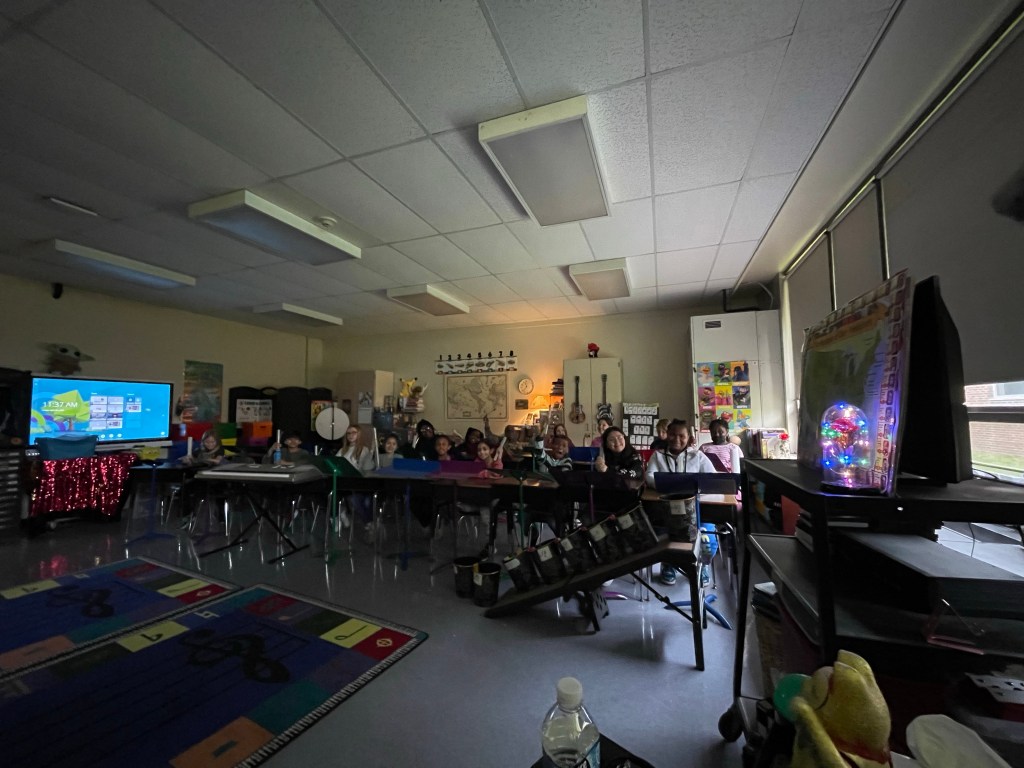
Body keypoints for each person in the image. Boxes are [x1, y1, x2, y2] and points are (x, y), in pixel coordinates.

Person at [645, 420, 716, 586]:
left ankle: (702, 565)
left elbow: (711, 477)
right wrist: (672, 485)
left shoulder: (697, 455)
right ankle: (668, 563)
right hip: (666, 508)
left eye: (681, 436)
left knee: (707, 540)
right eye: (672, 435)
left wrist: (692, 487)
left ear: (688, 437)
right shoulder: (658, 455)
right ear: (666, 436)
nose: (677, 439)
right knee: (665, 535)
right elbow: (649, 476)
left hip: (695, 509)